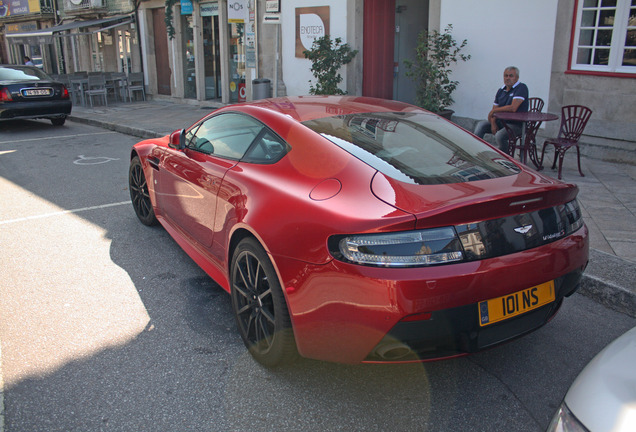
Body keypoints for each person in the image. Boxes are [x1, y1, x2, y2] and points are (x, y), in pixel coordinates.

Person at [474, 66, 529, 153]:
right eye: (506, 76)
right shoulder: (501, 90)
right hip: (501, 122)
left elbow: (513, 107)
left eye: (511, 76)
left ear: (517, 77)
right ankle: (476, 152)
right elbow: (493, 113)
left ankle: (504, 157)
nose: (508, 78)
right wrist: (493, 124)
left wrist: (494, 111)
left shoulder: (521, 88)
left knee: (500, 136)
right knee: (481, 125)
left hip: (516, 125)